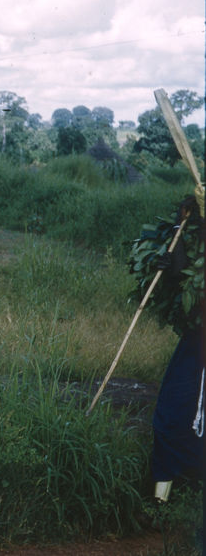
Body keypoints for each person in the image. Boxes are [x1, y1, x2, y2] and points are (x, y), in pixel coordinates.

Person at [149, 195, 204, 502]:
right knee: (172, 412)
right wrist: (179, 230)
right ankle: (161, 503)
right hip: (197, 341)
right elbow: (187, 279)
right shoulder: (192, 227)